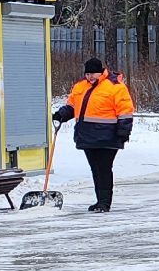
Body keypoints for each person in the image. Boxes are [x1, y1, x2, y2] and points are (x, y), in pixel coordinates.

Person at [51, 57, 135, 213]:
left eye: (93, 74)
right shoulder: (80, 86)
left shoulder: (115, 86)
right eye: (87, 74)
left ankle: (104, 203)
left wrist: (124, 131)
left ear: (101, 72)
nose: (90, 77)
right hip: (87, 136)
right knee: (95, 169)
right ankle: (99, 201)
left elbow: (125, 110)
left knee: (103, 168)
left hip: (108, 136)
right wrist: (61, 115)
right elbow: (72, 106)